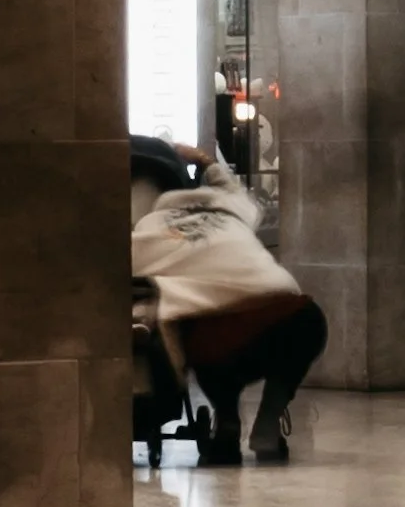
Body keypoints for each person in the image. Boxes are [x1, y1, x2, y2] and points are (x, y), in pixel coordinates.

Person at [131, 143, 326, 467]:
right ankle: (269, 418)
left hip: (214, 340)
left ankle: (228, 421)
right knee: (307, 320)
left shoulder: (147, 231)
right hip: (286, 315)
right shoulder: (229, 212)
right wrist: (206, 161)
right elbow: (235, 191)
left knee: (196, 330)